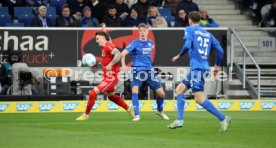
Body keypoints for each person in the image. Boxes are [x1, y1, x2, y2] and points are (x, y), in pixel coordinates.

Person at [167, 11, 231, 131]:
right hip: (201, 67)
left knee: (199, 98)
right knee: (179, 90)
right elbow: (221, 51)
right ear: (199, 21)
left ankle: (223, 118)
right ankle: (179, 120)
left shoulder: (189, 29)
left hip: (198, 69)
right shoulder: (208, 34)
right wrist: (216, 66)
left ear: (190, 20)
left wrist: (179, 55)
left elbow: (187, 45)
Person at [76, 27, 134, 121]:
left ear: (102, 38)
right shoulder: (106, 46)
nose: (96, 41)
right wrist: (104, 31)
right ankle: (128, 109)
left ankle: (86, 115)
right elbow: (109, 41)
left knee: (93, 93)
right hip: (106, 77)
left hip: (111, 78)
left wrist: (110, 64)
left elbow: (118, 54)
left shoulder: (107, 46)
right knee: (111, 96)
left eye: (97, 38)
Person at [121, 23, 169, 121]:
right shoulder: (134, 43)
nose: (143, 32)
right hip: (137, 71)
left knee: (162, 94)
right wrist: (123, 65)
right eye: (141, 30)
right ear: (138, 32)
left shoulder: (150, 43)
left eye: (144, 30)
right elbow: (123, 53)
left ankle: (160, 110)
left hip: (149, 71)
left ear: (148, 32)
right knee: (135, 91)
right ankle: (137, 115)